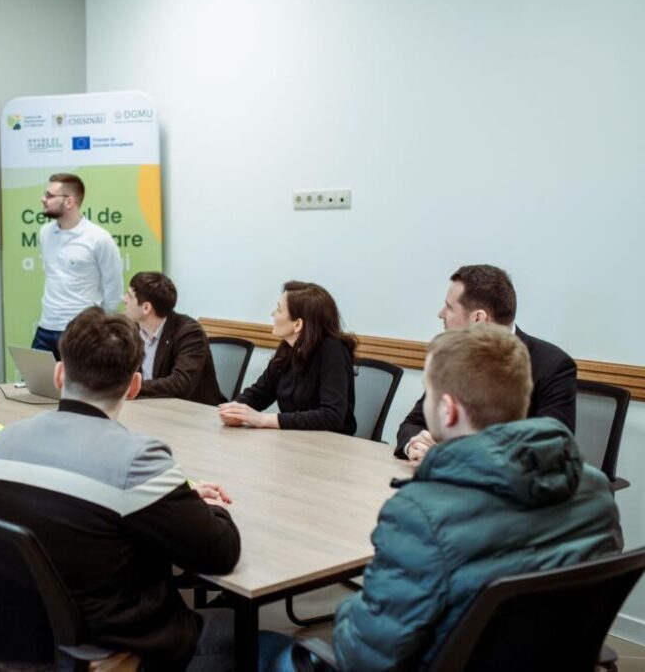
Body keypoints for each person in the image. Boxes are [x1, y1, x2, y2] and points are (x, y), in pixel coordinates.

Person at [321, 324, 622, 670]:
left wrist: (348, 609)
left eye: (428, 393)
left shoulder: (421, 513)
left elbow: (361, 657)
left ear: (448, 410)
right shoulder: (596, 489)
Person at [0, 307, 241, 670]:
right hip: (105, 654)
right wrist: (212, 509)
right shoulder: (138, 459)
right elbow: (221, 553)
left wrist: (170, 499)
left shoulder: (6, 440)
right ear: (134, 387)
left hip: (16, 641)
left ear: (59, 374)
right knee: (245, 631)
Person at [396, 264, 577, 463]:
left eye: (449, 307)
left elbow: (553, 450)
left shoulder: (552, 365)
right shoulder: (452, 357)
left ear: (478, 318)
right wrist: (416, 446)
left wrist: (458, 457)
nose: (441, 314)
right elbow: (413, 424)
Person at [218, 281, 357, 433]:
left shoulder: (334, 350)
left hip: (331, 443)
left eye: (279, 309)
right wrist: (234, 410)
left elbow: (331, 416)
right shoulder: (288, 348)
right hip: (293, 439)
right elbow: (260, 393)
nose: (273, 314)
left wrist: (264, 420)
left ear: (297, 324)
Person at [32, 173, 123, 359]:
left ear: (69, 202)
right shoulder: (45, 233)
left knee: (81, 379)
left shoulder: (99, 238)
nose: (43, 199)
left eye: (49, 195)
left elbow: (113, 287)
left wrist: (100, 327)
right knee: (36, 377)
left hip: (82, 331)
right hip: (46, 326)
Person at [123, 271, 225, 406]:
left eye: (130, 296)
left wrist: (128, 387)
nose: (124, 299)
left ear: (146, 307)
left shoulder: (189, 333)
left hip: (191, 411)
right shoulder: (132, 329)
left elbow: (180, 383)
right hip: (148, 406)